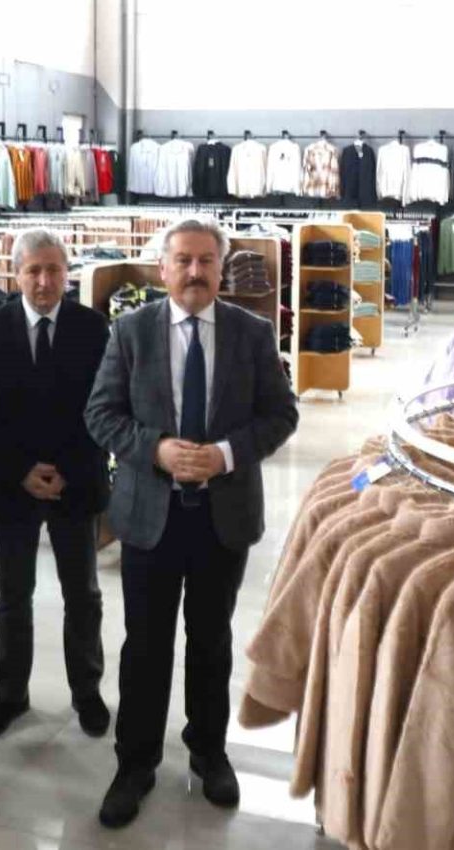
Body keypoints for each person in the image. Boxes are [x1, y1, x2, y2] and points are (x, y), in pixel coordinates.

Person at [86, 218, 299, 828]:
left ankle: (208, 752)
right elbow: (101, 414)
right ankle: (135, 763)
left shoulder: (252, 333)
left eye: (207, 260)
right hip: (149, 518)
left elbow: (280, 415)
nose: (195, 272)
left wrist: (226, 455)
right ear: (163, 269)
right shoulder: (130, 332)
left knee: (211, 641)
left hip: (221, 518)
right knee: (145, 646)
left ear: (221, 268)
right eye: (183, 260)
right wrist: (154, 449)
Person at [0, 229, 112, 741]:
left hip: (77, 481)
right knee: (11, 595)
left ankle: (86, 690)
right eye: (33, 270)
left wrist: (67, 468)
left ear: (68, 273)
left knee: (83, 594)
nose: (44, 281)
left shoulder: (92, 327)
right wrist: (21, 470)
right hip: (11, 485)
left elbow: (104, 405)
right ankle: (10, 692)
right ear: (16, 274)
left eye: (53, 270)